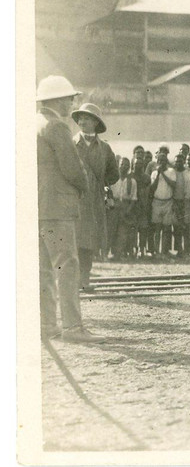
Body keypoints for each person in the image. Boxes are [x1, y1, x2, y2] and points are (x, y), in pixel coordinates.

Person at [37, 76, 105, 342]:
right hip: (59, 207)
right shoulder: (56, 126)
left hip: (39, 206)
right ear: (56, 100)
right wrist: (83, 187)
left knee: (43, 268)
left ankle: (47, 325)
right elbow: (73, 168)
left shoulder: (35, 123)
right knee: (67, 264)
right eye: (68, 98)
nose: (72, 103)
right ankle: (73, 328)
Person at [71, 103, 118, 288]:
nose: (82, 121)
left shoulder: (105, 148)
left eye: (87, 118)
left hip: (94, 203)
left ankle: (84, 281)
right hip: (74, 200)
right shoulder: (70, 143)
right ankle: (71, 282)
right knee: (72, 241)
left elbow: (114, 174)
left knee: (88, 243)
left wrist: (99, 184)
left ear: (96, 123)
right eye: (80, 117)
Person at [149, 146, 177, 256]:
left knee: (166, 228)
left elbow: (173, 184)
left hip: (168, 202)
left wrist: (163, 174)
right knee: (157, 228)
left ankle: (164, 251)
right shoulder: (154, 173)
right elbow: (153, 188)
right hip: (157, 202)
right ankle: (156, 251)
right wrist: (158, 174)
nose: (161, 162)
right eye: (159, 161)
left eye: (163, 161)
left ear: (166, 162)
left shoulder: (171, 171)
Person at [108, 158, 138, 259]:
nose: (124, 167)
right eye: (122, 164)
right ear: (118, 165)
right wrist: (111, 206)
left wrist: (128, 210)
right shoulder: (113, 179)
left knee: (123, 232)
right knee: (112, 230)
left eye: (126, 165)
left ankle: (118, 254)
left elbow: (134, 198)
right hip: (114, 206)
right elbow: (108, 194)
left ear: (129, 167)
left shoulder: (132, 181)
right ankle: (108, 253)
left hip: (125, 206)